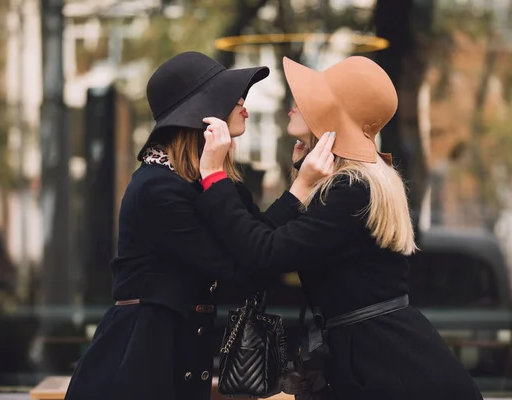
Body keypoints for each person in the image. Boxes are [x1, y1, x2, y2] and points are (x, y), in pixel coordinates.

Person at [195, 56, 484, 400]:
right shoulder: (354, 182)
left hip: (391, 369)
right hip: (380, 356)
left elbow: (263, 253)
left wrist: (214, 176)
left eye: (306, 100)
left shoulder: (350, 189)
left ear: (332, 116)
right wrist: (301, 183)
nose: (293, 106)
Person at [64, 51, 324, 400]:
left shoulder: (211, 182)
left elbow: (257, 237)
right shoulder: (156, 188)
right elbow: (242, 267)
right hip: (140, 358)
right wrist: (298, 190)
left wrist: (300, 185)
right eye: (229, 94)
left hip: (178, 352)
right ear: (200, 114)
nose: (243, 101)